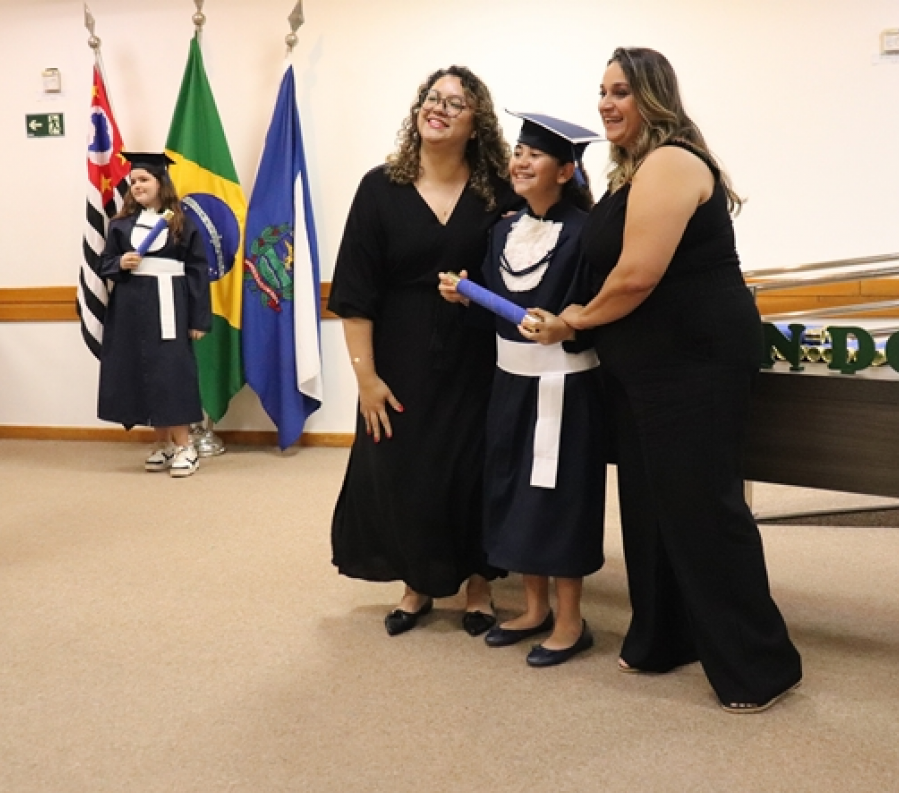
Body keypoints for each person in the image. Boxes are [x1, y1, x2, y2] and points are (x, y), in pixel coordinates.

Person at [540, 47, 802, 711]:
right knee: (651, 508)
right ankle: (665, 637)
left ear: (653, 96)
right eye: (602, 91)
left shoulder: (671, 161)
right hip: (643, 364)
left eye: (621, 91)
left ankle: (761, 667)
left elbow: (636, 276)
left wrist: (574, 321)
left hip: (694, 361)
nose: (606, 103)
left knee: (701, 507)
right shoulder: (630, 172)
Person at [327, 66, 518, 636]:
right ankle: (416, 583)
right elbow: (354, 293)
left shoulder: (498, 193)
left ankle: (479, 584)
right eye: (432, 98)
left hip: (478, 357)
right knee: (404, 467)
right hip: (400, 357)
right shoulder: (379, 188)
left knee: (473, 468)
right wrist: (365, 378)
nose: (438, 108)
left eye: (455, 103)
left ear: (476, 124)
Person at [439, 113, 606, 667]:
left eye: (535, 155)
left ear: (565, 171)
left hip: (564, 387)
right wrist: (466, 295)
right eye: (518, 152)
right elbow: (497, 307)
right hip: (508, 383)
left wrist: (569, 325)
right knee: (514, 492)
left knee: (561, 499)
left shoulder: (587, 233)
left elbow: (601, 311)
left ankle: (571, 621)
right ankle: (534, 608)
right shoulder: (502, 231)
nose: (520, 161)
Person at [97, 152, 210, 477]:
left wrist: (198, 318)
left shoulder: (181, 224)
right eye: (133, 181)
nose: (137, 186)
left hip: (169, 304)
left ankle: (185, 445)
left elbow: (198, 273)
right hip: (131, 308)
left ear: (161, 183)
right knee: (141, 371)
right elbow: (104, 263)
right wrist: (120, 263)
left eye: (144, 180)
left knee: (171, 372)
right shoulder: (120, 225)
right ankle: (162, 443)